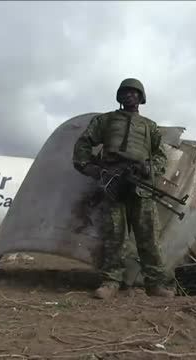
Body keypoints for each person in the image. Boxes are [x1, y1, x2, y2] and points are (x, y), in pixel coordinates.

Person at [72, 78, 175, 299]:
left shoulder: (150, 126)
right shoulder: (106, 121)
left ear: (141, 97)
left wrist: (148, 168)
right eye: (125, 92)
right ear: (119, 97)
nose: (129, 96)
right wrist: (91, 168)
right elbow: (84, 143)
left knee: (149, 237)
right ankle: (111, 282)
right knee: (114, 235)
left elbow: (161, 157)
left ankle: (155, 284)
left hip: (141, 185)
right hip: (112, 183)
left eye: (134, 92)